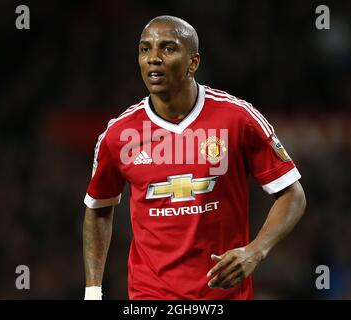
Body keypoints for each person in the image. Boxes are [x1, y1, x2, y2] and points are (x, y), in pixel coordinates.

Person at [83, 15, 306, 300]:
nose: (153, 58)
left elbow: (293, 194)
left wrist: (255, 251)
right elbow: (98, 207)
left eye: (167, 48)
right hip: (150, 296)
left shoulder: (237, 119)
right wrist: (92, 290)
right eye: (144, 49)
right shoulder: (119, 135)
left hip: (224, 296)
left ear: (193, 63)